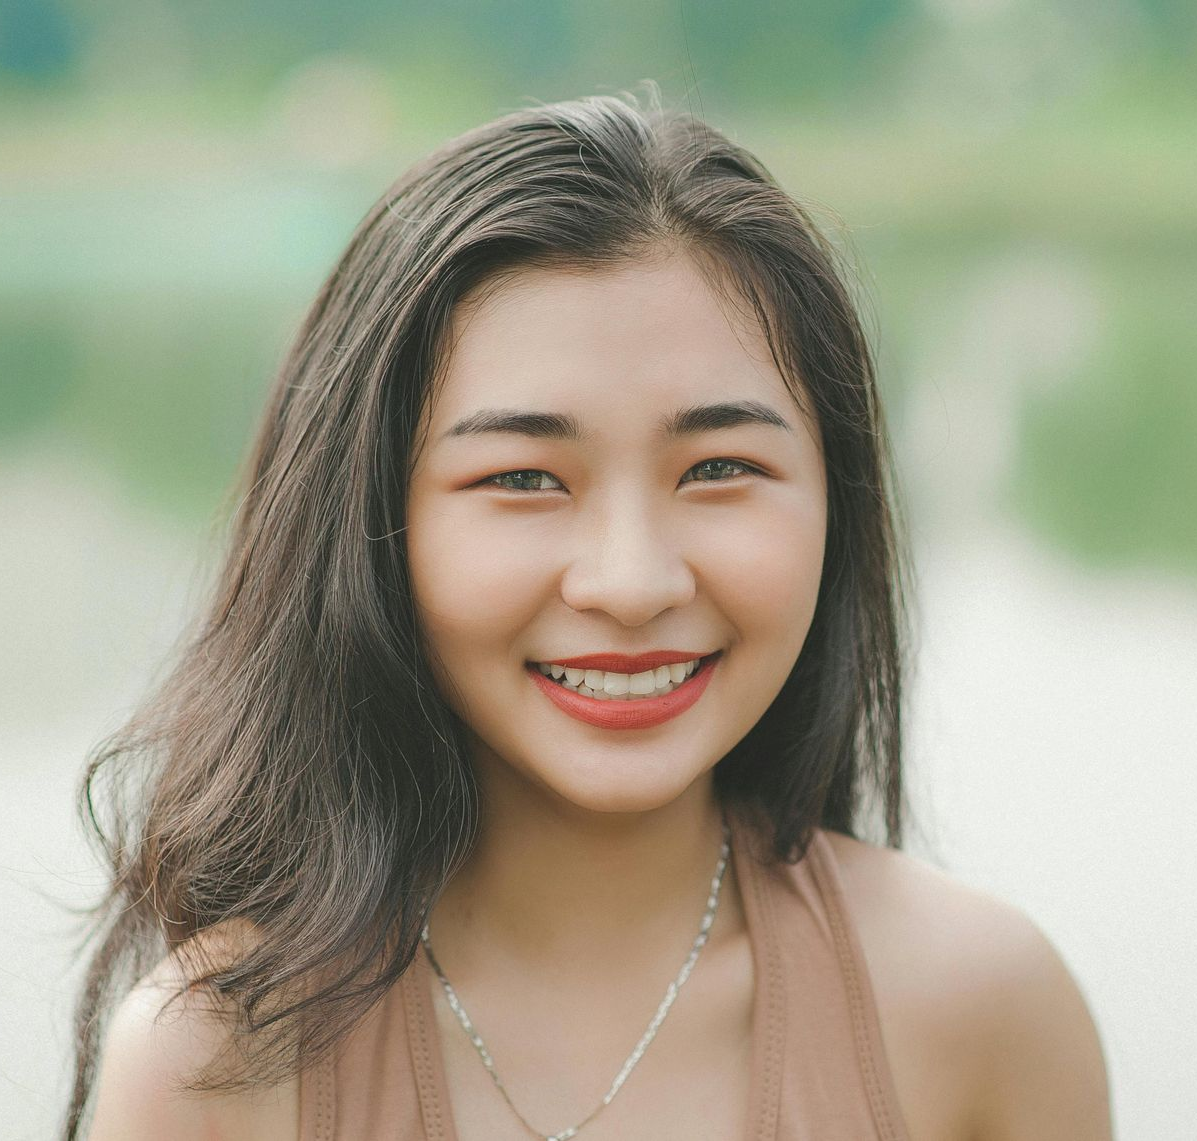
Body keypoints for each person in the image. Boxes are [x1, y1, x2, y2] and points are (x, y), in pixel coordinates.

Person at [69, 89, 1112, 1141]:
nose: (629, 582)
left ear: (837, 499)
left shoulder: (982, 1011)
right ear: (371, 519)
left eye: (718, 466)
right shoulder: (218, 1063)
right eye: (523, 477)